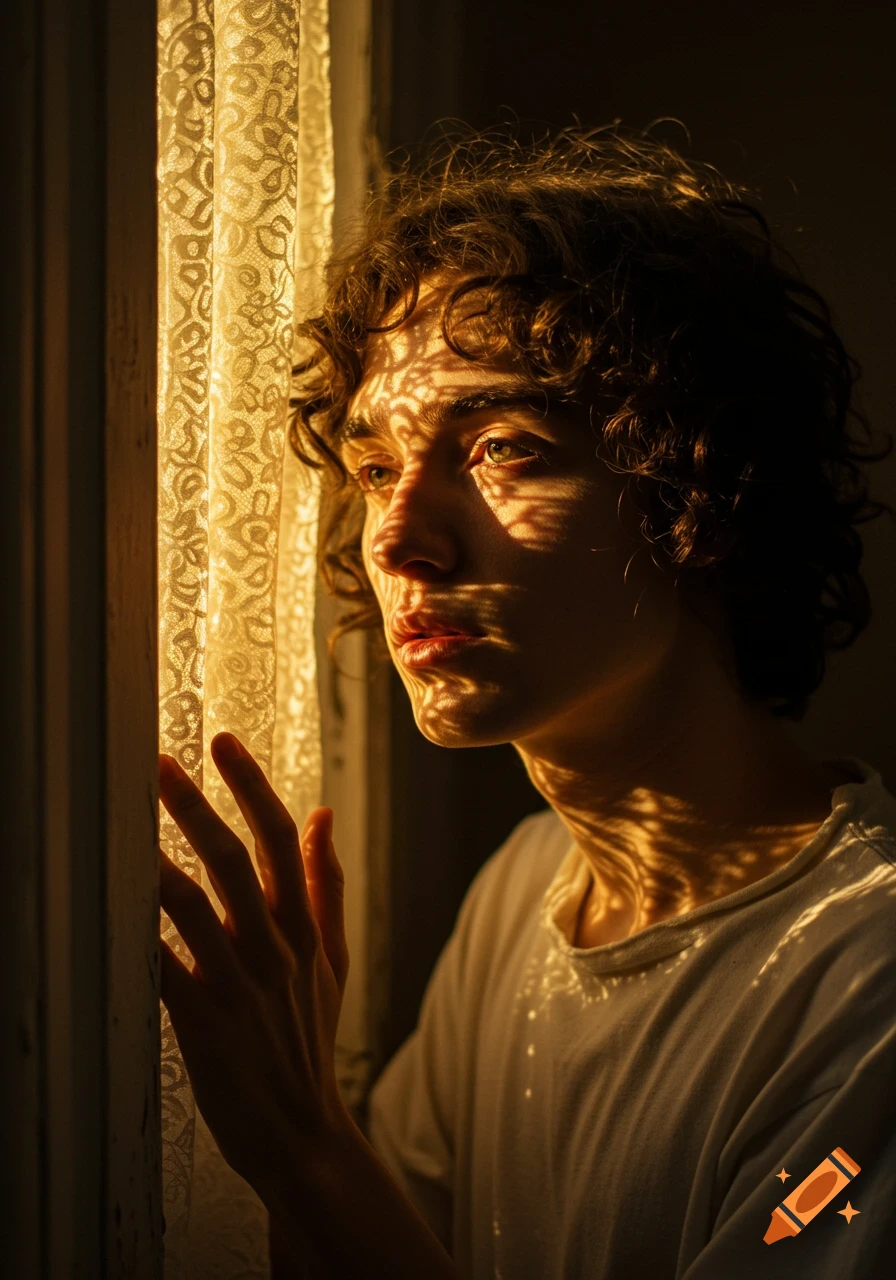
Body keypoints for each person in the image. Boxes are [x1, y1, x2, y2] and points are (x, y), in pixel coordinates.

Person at [160, 124, 896, 1279]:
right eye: (375, 468)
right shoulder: (522, 887)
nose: (396, 535)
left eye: (502, 446)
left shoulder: (863, 975)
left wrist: (305, 1144)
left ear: (697, 485)